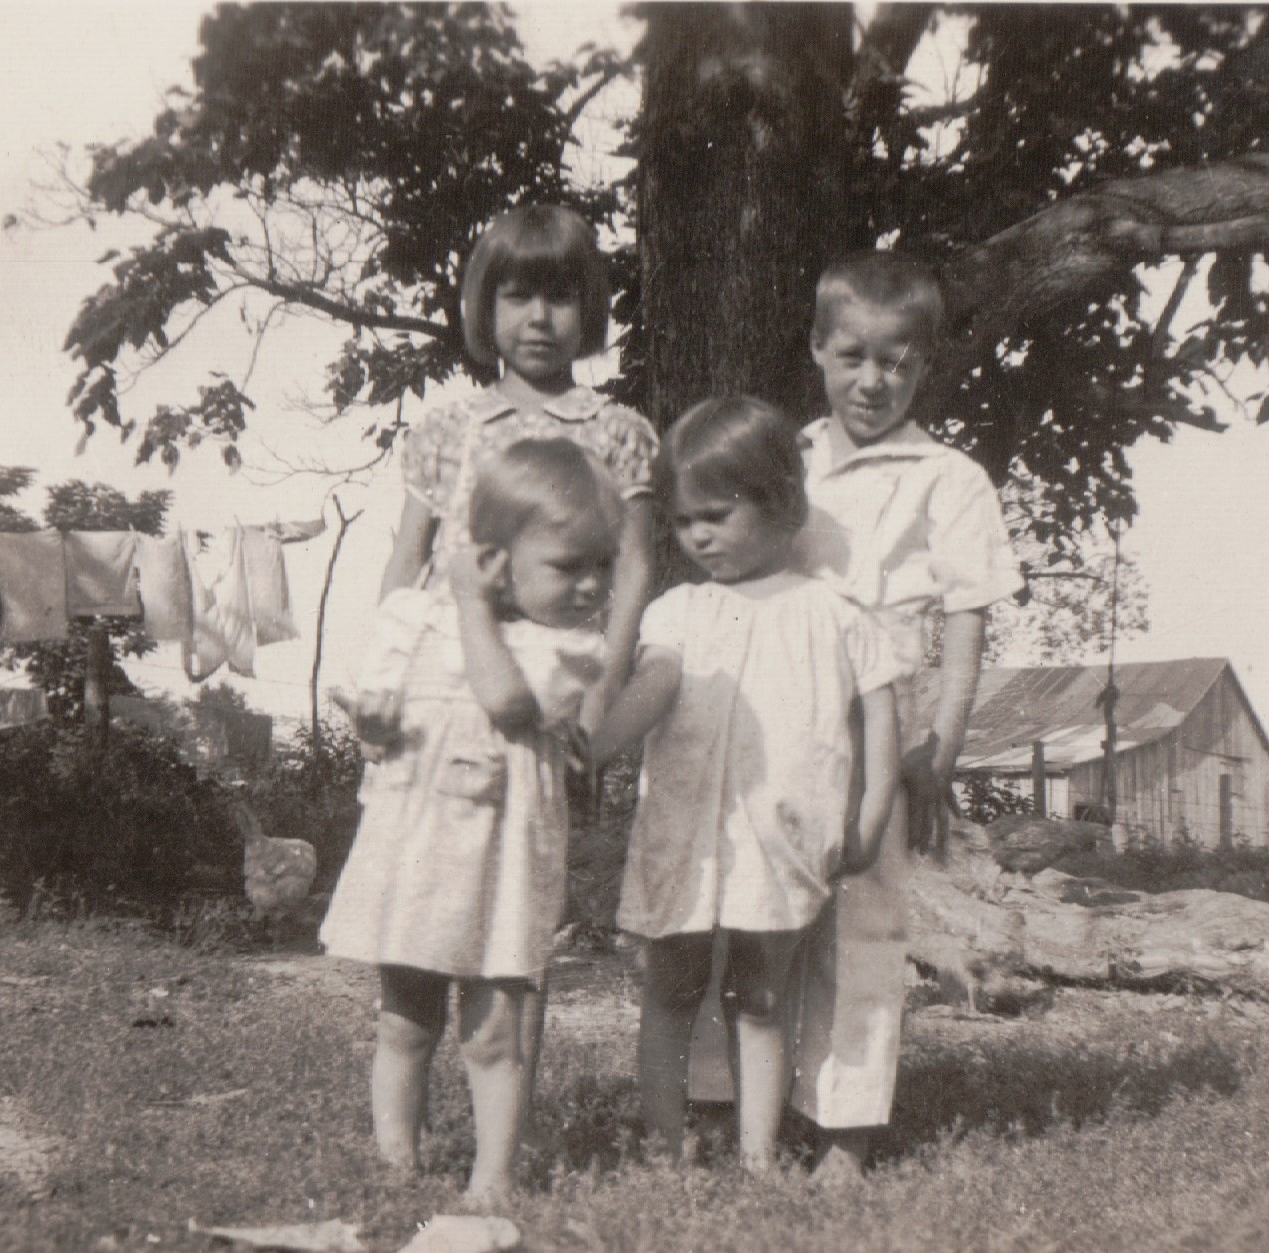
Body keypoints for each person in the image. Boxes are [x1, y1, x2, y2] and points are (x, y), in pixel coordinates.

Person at [376, 202, 660, 1144]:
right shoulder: (450, 426)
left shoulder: (616, 432)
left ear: (590, 310)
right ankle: (399, 1149)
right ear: (483, 306)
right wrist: (382, 684)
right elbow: (405, 564)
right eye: (517, 294)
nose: (539, 318)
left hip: (549, 693)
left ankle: (504, 1139)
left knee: (516, 920)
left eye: (561, 297)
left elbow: (633, 572)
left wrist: (602, 695)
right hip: (442, 694)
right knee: (417, 916)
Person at [591, 396, 903, 1172]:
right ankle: (662, 1150)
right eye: (683, 519)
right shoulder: (680, 610)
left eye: (716, 514)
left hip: (784, 837)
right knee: (670, 985)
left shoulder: (833, 613)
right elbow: (654, 687)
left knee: (760, 996)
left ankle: (756, 1156)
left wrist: (868, 817)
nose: (696, 535)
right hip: (687, 835)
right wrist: (591, 742)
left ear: (782, 505)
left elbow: (881, 716)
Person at [321, 439, 622, 1204]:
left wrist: (467, 604)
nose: (591, 585)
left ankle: (492, 1177)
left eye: (602, 565)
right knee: (404, 1018)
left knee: (494, 1027)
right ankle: (395, 1158)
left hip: (501, 861)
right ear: (494, 556)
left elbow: (510, 705)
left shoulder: (571, 645)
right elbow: (381, 724)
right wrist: (374, 719)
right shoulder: (419, 619)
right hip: (417, 848)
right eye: (568, 566)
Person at [790, 251, 1026, 1179]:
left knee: (866, 919)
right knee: (760, 911)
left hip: (876, 724)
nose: (872, 379)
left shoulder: (948, 476)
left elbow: (967, 616)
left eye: (896, 361)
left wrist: (942, 745)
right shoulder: (787, 456)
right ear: (817, 348)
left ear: (923, 366)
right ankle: (738, 1104)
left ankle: (844, 1132)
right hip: (777, 710)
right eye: (852, 355)